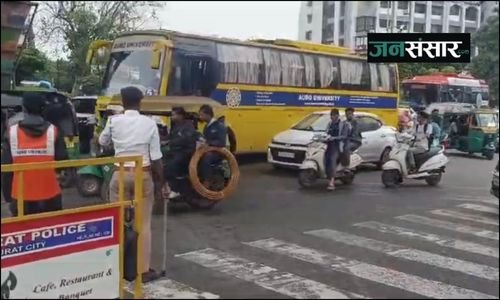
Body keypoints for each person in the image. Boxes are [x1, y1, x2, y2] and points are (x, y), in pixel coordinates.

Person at [98, 86, 167, 283]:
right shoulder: (149, 123)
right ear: (140, 101)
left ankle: (116, 267)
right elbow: (156, 158)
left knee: (117, 221)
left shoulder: (113, 121)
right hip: (142, 175)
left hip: (119, 174)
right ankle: (142, 270)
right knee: (143, 224)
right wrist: (162, 183)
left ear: (122, 101)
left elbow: (102, 141)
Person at [1, 93, 68, 216]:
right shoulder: (53, 131)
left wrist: (8, 195)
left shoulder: (11, 132)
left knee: (25, 233)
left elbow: (6, 167)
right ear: (43, 109)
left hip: (21, 198)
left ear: (24, 108)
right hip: (50, 196)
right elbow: (63, 161)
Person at [164, 107, 198, 199]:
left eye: (174, 115)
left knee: (172, 164)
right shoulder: (175, 126)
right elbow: (169, 137)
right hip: (175, 150)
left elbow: (186, 139)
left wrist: (171, 142)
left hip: (186, 151)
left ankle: (175, 189)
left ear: (181, 115)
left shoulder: (188, 125)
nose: (172, 117)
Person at [198, 104, 227, 180]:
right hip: (207, 150)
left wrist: (208, 143)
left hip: (217, 152)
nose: (200, 117)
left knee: (206, 158)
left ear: (208, 114)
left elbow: (221, 142)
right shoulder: (206, 126)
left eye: (202, 115)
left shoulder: (219, 126)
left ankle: (207, 181)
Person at [324, 108, 350, 191]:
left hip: (338, 146)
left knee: (332, 160)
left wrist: (334, 138)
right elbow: (326, 133)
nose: (332, 117)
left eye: (334, 115)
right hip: (328, 145)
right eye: (331, 115)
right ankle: (327, 175)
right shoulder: (329, 124)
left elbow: (344, 136)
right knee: (325, 159)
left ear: (337, 116)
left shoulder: (343, 125)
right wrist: (325, 137)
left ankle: (332, 182)